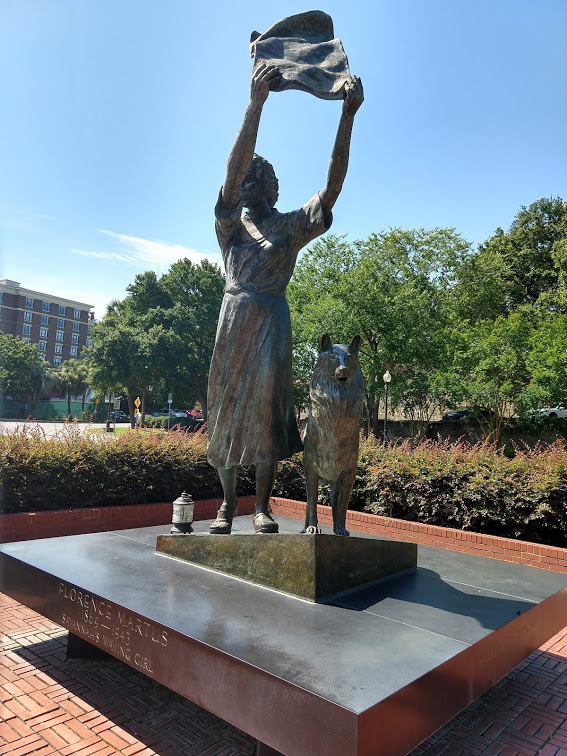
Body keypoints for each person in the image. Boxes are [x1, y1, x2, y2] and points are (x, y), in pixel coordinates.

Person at [207, 62, 363, 534]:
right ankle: (226, 504)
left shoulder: (289, 226)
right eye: (242, 182)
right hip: (234, 319)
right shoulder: (230, 229)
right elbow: (229, 179)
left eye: (253, 182)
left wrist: (347, 117)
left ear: (269, 187)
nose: (243, 188)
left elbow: (330, 191)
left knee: (266, 414)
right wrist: (255, 106)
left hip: (272, 321)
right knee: (225, 412)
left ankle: (261, 507)